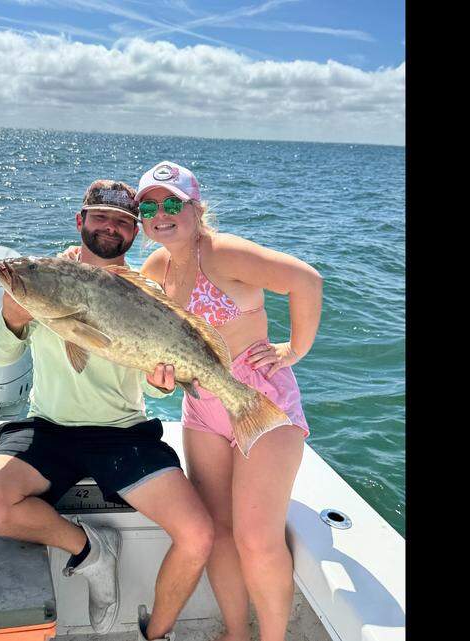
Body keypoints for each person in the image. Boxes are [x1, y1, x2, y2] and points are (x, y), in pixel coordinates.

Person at [0, 179, 214, 641]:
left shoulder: (144, 292)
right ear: (80, 221)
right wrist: (14, 316)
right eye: (100, 217)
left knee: (198, 534)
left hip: (123, 432)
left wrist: (162, 384)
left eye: (123, 221)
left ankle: (155, 634)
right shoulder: (40, 275)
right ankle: (92, 550)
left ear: (134, 233)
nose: (111, 228)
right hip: (48, 428)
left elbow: (150, 386)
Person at [134, 162, 323, 641]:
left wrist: (293, 349)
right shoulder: (154, 269)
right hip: (202, 407)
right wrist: (159, 381)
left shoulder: (225, 253)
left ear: (196, 208)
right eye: (149, 206)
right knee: (218, 531)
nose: (161, 213)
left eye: (172, 202)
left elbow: (307, 281)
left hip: (260, 400)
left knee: (257, 541)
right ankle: (236, 633)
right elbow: (145, 339)